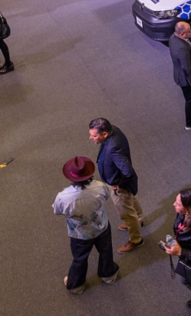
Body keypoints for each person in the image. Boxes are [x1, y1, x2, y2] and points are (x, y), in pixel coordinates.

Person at [53, 156, 119, 294]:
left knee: (80, 258)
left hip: (79, 234)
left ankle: (76, 285)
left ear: (71, 177)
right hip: (102, 227)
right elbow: (107, 196)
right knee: (106, 251)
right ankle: (109, 276)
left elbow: (57, 211)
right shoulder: (100, 187)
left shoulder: (63, 197)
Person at [88, 118, 144, 254]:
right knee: (132, 199)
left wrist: (120, 186)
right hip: (125, 184)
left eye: (94, 136)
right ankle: (139, 220)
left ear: (105, 134)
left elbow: (128, 171)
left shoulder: (114, 149)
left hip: (120, 186)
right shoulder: (113, 129)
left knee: (127, 213)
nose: (90, 138)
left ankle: (136, 239)